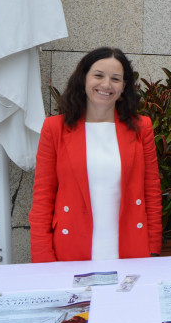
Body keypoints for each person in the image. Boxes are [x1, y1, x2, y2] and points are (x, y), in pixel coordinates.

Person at [30, 47, 162, 262]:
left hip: (132, 249)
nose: (106, 85)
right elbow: (43, 199)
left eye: (115, 78)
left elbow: (152, 192)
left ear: (124, 86)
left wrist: (153, 247)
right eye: (98, 75)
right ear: (83, 79)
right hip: (70, 249)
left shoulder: (142, 127)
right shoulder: (55, 128)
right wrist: (42, 258)